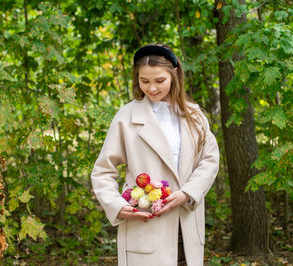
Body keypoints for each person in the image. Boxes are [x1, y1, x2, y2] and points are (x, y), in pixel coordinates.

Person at [91, 44, 219, 266]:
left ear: (175, 74)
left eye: (159, 81)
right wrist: (117, 206)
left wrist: (187, 193)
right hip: (146, 224)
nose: (151, 88)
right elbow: (103, 172)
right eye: (144, 81)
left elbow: (209, 160)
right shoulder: (126, 117)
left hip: (186, 223)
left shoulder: (194, 115)